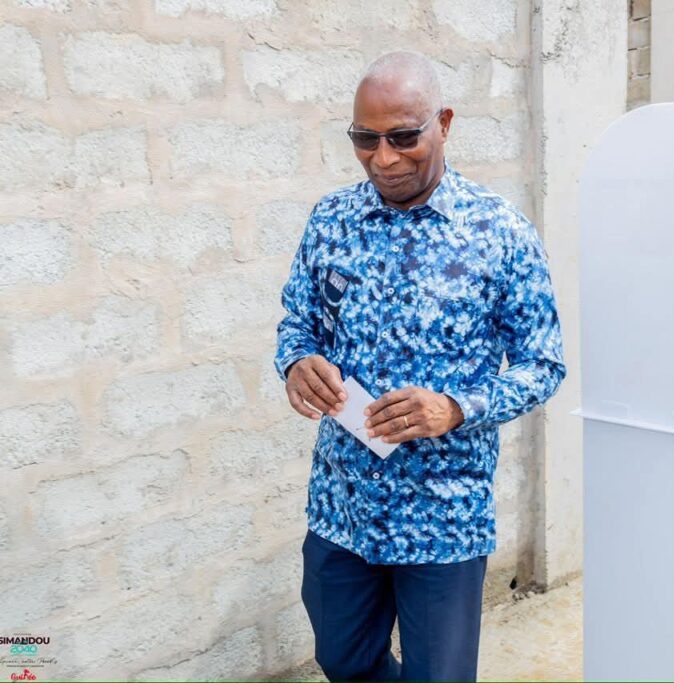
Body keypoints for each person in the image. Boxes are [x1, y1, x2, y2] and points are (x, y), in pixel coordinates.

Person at [274, 50, 566, 682]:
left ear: (445, 123)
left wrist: (455, 408)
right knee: (342, 659)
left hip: (444, 518)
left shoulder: (500, 233)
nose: (384, 158)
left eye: (404, 137)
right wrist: (296, 361)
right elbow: (298, 322)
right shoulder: (330, 221)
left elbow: (543, 364)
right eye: (365, 139)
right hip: (343, 504)